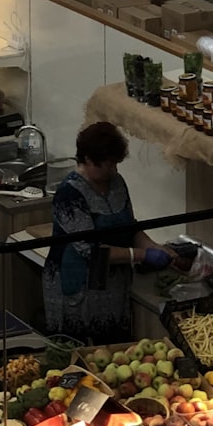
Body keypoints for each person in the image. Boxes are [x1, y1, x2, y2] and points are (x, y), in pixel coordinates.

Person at [42, 122, 172, 343]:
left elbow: (130, 227)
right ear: (89, 160)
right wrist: (140, 255)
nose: (114, 170)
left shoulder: (117, 183)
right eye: (108, 165)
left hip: (113, 287)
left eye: (116, 164)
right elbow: (91, 252)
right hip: (78, 288)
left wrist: (153, 247)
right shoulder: (69, 194)